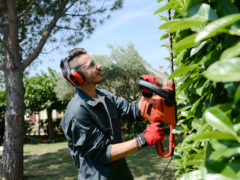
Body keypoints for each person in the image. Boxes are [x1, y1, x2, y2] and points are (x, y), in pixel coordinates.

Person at [60, 48, 165, 180]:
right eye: (92, 65)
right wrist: (142, 140)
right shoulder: (77, 112)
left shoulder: (104, 96)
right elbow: (102, 152)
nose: (99, 66)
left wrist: (146, 94)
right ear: (77, 77)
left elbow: (133, 111)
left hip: (121, 173)